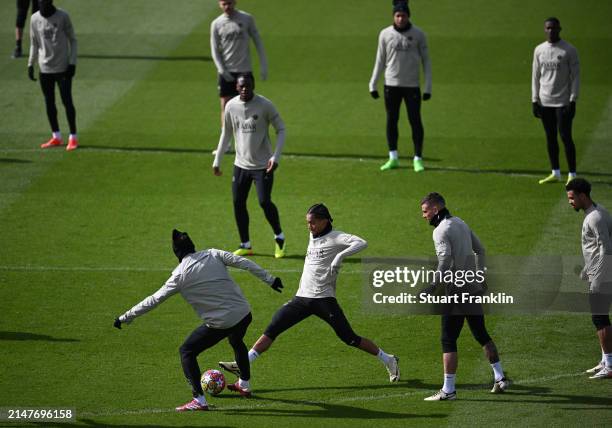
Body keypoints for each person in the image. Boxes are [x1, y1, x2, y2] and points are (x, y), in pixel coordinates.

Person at [218, 203, 401, 387]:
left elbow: (362, 242)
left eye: (313, 222)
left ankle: (389, 359)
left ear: (324, 221)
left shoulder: (336, 237)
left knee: (349, 338)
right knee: (274, 326)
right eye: (307, 222)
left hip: (324, 299)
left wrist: (340, 256)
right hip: (302, 298)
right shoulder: (313, 235)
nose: (309, 226)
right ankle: (243, 363)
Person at [113, 229, 284, 411]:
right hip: (244, 314)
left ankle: (199, 400)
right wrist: (270, 280)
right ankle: (244, 384)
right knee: (236, 340)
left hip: (222, 323)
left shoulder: (179, 275)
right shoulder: (213, 253)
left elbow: (154, 300)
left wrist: (126, 317)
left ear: (176, 252)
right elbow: (243, 262)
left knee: (187, 351)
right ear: (193, 246)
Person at [420, 193, 510, 400]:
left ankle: (448, 390)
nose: (424, 216)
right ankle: (500, 377)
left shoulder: (440, 231)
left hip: (455, 290)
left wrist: (432, 286)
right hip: (472, 286)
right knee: (481, 334)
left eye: (425, 212)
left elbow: (444, 263)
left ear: (435, 209)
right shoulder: (460, 222)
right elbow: (480, 250)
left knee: (448, 339)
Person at [212, 74, 286, 258]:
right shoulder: (231, 106)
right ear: (236, 87)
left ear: (253, 86)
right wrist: (217, 160)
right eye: (242, 86)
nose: (245, 89)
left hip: (263, 166)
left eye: (248, 86)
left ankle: (279, 237)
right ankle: (245, 244)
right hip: (241, 165)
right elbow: (226, 133)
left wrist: (275, 157)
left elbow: (281, 129)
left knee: (264, 201)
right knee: (238, 203)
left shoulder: (264, 105)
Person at [369, 0, 431, 173]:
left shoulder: (418, 35)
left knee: (415, 120)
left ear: (408, 16)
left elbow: (426, 62)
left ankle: (418, 158)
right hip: (391, 85)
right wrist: (373, 83)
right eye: (397, 15)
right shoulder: (385, 34)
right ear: (393, 17)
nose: (400, 18)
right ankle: (393, 157)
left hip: (412, 86)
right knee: (392, 120)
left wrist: (428, 87)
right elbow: (380, 60)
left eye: (403, 15)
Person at [566, 178, 612, 379]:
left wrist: (597, 278)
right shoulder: (599, 212)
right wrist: (587, 269)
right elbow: (597, 248)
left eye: (572, 198)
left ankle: (609, 364)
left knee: (600, 319)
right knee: (600, 319)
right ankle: (605, 360)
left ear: (582, 196)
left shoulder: (594, 218)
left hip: (603, 277)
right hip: (601, 273)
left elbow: (606, 249)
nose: (570, 202)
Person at [210, 0, 268, 155]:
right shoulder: (216, 23)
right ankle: (226, 145)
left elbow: (258, 41)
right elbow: (214, 49)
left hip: (244, 71)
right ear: (219, 4)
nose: (227, 6)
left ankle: (248, 144)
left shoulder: (246, 19)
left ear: (235, 2)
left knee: (246, 108)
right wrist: (222, 70)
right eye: (224, 4)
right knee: (225, 107)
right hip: (227, 72)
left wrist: (264, 64)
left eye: (229, 3)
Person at [532, 17, 580, 185]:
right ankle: (556, 172)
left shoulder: (569, 50)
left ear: (560, 29)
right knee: (550, 137)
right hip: (545, 102)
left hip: (563, 102)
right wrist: (534, 99)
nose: (551, 31)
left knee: (566, 136)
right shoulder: (539, 50)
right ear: (545, 30)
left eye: (554, 28)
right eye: (548, 28)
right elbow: (536, 75)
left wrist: (573, 100)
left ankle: (572, 174)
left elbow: (575, 77)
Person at [27, 0, 78, 151]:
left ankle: (73, 137)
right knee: (49, 103)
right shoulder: (34, 18)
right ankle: (56, 136)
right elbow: (33, 42)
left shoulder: (62, 16)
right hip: (45, 69)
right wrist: (30, 64)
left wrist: (72, 63)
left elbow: (73, 40)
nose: (43, 4)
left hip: (62, 68)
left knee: (67, 101)